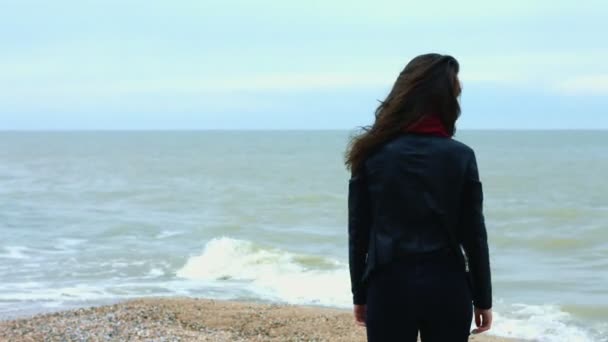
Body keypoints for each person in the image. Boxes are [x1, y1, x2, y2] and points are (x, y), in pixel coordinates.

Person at [344, 53, 492, 341]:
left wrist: (359, 293)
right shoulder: (460, 156)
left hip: (387, 285)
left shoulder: (371, 154)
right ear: (444, 101)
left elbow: (358, 232)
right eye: (456, 94)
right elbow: (474, 235)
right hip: (447, 285)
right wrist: (483, 298)